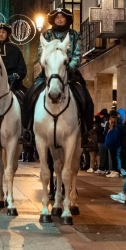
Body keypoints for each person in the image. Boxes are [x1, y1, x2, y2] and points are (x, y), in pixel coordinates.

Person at [21, 8, 94, 148]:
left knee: (87, 99)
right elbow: (42, 54)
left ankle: (87, 133)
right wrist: (50, 68)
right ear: (53, 19)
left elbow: (77, 55)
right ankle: (27, 130)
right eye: (57, 17)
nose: (60, 19)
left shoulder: (74, 35)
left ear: (67, 19)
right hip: (48, 74)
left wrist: (68, 68)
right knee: (28, 97)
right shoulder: (47, 35)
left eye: (62, 17)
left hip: (70, 74)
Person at [104, 111, 122, 178]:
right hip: (110, 145)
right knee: (112, 158)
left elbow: (114, 138)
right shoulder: (111, 128)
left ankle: (115, 171)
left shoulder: (115, 129)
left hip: (113, 146)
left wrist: (110, 143)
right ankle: (113, 170)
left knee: (114, 158)